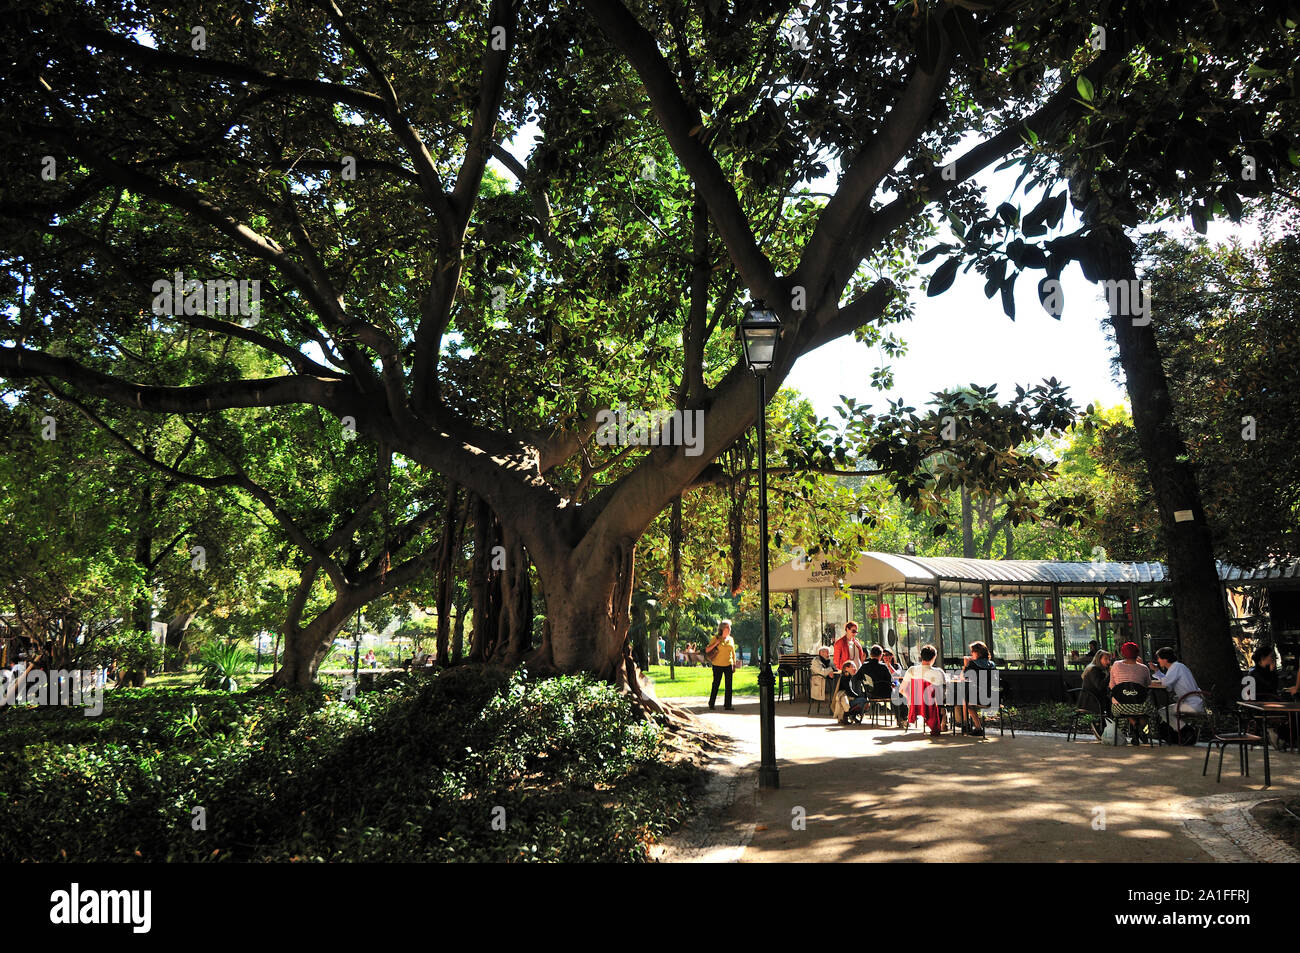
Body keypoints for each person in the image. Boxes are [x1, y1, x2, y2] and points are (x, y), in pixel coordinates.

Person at [1109, 641, 1153, 745]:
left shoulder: (1116, 665)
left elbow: (1112, 686)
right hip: (1140, 705)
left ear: (1123, 654)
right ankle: (1142, 731)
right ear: (1137, 654)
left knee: (1125, 700)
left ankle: (1135, 727)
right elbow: (1147, 685)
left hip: (1119, 707)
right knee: (1142, 708)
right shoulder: (1144, 668)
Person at [899, 644, 946, 737]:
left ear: (921, 657)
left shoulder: (911, 670)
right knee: (943, 700)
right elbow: (944, 689)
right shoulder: (939, 672)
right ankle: (944, 724)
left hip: (916, 703)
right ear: (934, 657)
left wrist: (910, 698)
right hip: (933, 704)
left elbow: (901, 689)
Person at [958, 641, 997, 736]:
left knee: (965, 701)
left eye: (972, 651)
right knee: (966, 698)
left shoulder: (973, 665)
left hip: (982, 698)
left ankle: (971, 726)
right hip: (994, 697)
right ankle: (971, 726)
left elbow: (962, 678)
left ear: (977, 653)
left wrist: (965, 664)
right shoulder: (992, 664)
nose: (971, 654)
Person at [706, 620, 737, 711]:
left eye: (729, 627)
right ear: (722, 629)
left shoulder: (731, 639)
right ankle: (711, 703)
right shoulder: (716, 638)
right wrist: (716, 643)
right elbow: (707, 650)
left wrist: (734, 664)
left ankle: (728, 705)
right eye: (727, 627)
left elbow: (733, 652)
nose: (729, 629)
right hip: (717, 665)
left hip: (728, 664)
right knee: (716, 684)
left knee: (729, 686)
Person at [1081, 650, 1113, 717]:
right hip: (1092, 702)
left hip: (1094, 700)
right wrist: (1111, 674)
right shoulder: (1094, 669)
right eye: (1106, 659)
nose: (1108, 662)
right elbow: (1100, 686)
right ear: (1099, 659)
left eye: (1109, 659)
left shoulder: (1096, 669)